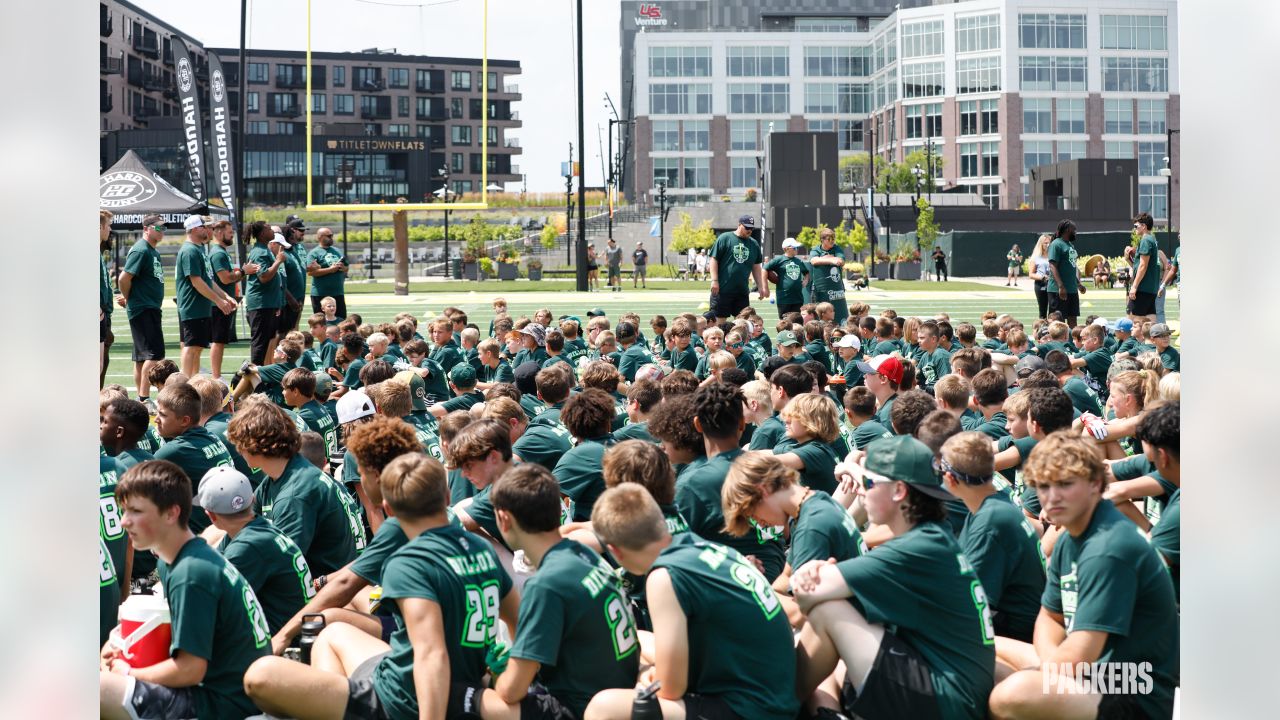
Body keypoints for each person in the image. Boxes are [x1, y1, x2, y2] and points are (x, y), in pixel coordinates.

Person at [242, 452, 519, 720]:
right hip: (460, 684)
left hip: (401, 699)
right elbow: (520, 620)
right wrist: (506, 682)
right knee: (332, 632)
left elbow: (431, 655)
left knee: (259, 676)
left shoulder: (408, 562)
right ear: (446, 498)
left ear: (388, 509)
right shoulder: (481, 550)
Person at [791, 435, 995, 720]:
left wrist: (809, 571)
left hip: (947, 701)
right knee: (843, 622)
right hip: (949, 690)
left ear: (899, 490)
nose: (861, 491)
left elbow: (808, 595)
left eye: (869, 483)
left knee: (828, 612)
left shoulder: (917, 547)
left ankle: (778, 706)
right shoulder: (930, 536)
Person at [988, 432, 1179, 720]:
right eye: (1042, 486)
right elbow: (1050, 616)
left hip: (1132, 691)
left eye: (1064, 484)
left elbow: (1080, 656)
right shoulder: (1071, 534)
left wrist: (1046, 672)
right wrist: (1050, 662)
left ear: (1096, 484)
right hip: (1092, 674)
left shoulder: (1109, 547)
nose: (1051, 498)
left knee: (1013, 693)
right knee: (980, 649)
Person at [585, 484, 800, 720]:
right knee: (640, 638)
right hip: (778, 689)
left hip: (752, 708)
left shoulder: (663, 577)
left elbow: (672, 689)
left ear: (615, 551)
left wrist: (654, 677)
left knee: (603, 707)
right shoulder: (711, 548)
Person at [99, 460, 269, 720]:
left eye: (135, 512)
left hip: (224, 705)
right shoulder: (176, 560)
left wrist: (126, 673)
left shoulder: (191, 572)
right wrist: (119, 639)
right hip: (223, 692)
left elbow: (190, 670)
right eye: (124, 511)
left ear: (171, 513)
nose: (124, 522)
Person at [483, 463, 641, 719]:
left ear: (503, 519)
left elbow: (512, 690)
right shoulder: (582, 553)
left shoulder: (547, 582)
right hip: (622, 694)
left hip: (582, 706)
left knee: (471, 700)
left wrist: (496, 677)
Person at [225, 399, 362, 575]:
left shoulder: (296, 493)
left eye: (239, 443)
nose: (237, 450)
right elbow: (242, 520)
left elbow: (280, 563)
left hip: (321, 588)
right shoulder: (283, 473)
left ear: (255, 445)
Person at [938, 432, 1044, 643]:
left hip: (1018, 635)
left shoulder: (990, 522)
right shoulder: (988, 506)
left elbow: (971, 603)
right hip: (1018, 622)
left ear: (950, 478)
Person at [196, 466, 316, 635]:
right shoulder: (253, 527)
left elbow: (211, 604)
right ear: (252, 500)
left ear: (211, 516)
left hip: (287, 644)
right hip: (297, 629)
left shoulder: (248, 546)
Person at [151, 383, 235, 535]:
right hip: (225, 525)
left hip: (204, 535)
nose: (156, 419)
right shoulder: (210, 436)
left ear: (184, 421)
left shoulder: (175, 451)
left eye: (163, 415)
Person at [174, 215, 238, 377]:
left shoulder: (199, 249)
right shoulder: (190, 250)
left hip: (201, 307)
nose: (210, 230)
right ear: (195, 229)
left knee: (197, 346)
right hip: (192, 306)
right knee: (192, 346)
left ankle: (193, 382)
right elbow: (196, 281)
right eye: (206, 227)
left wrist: (225, 296)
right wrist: (218, 300)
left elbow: (208, 280)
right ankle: (185, 384)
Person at [116, 214, 167, 406]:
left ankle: (141, 397)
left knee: (141, 357)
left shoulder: (153, 251)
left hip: (149, 307)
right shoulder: (141, 250)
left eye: (164, 228)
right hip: (144, 308)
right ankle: (144, 398)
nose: (163, 231)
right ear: (147, 228)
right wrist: (131, 299)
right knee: (154, 356)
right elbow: (123, 279)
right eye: (159, 228)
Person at [207, 219, 259, 380]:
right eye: (230, 233)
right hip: (218, 303)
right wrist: (244, 271)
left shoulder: (221, 252)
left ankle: (216, 374)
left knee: (221, 339)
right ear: (220, 233)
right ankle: (216, 375)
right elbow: (224, 278)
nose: (232, 236)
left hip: (222, 300)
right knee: (218, 340)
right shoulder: (218, 253)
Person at [243, 220, 287, 366]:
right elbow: (264, 277)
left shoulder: (264, 249)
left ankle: (260, 373)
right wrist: (278, 261)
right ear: (262, 234)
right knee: (259, 343)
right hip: (260, 303)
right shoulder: (259, 252)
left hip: (268, 302)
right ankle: (254, 377)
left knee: (266, 341)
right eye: (268, 229)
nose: (272, 231)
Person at [709, 214, 767, 320]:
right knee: (719, 322)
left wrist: (760, 285)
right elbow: (714, 259)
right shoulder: (725, 238)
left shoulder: (754, 244)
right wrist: (714, 280)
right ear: (739, 225)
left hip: (742, 291)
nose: (749, 230)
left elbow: (756, 266)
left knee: (742, 323)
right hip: (722, 290)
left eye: (751, 228)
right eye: (747, 228)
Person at [1046, 220, 1085, 328]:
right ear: (1068, 230)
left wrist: (1078, 284)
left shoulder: (1070, 245)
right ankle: (1057, 344)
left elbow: (1071, 267)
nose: (1075, 232)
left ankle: (1071, 343)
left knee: (1073, 319)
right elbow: (1052, 265)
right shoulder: (1056, 244)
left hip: (1071, 289)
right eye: (1074, 230)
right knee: (1058, 322)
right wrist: (1061, 286)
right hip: (1057, 290)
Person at [1128, 212, 1162, 325]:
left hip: (1143, 288)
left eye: (1136, 226)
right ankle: (1154, 343)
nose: (1135, 229)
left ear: (1144, 226)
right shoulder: (1151, 239)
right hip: (1150, 288)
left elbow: (1143, 265)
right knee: (1150, 325)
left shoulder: (1146, 240)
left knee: (1132, 324)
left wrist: (1134, 286)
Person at [808, 227, 848, 323]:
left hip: (837, 289)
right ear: (822, 239)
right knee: (820, 315)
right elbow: (813, 260)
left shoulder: (837, 248)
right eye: (829, 239)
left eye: (833, 238)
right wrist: (831, 259)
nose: (832, 241)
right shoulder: (816, 249)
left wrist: (823, 259)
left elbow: (840, 261)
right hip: (821, 289)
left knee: (840, 316)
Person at [307, 226, 348, 318]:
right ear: (320, 237)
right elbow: (310, 272)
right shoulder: (314, 253)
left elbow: (346, 268)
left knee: (341, 321)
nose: (331, 238)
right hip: (320, 294)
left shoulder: (337, 251)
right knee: (321, 321)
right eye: (329, 236)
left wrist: (343, 267)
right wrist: (330, 270)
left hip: (338, 293)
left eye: (332, 235)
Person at [765, 238, 809, 317]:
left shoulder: (798, 261)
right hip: (784, 298)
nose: (797, 250)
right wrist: (765, 287)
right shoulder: (779, 259)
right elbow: (765, 269)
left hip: (798, 298)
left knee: (797, 322)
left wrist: (806, 280)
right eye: (795, 248)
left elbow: (806, 272)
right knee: (785, 323)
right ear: (787, 249)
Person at [100, 211, 116, 388]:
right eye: (108, 225)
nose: (111, 231)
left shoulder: (99, 255)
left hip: (104, 317)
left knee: (102, 364)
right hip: (99, 317)